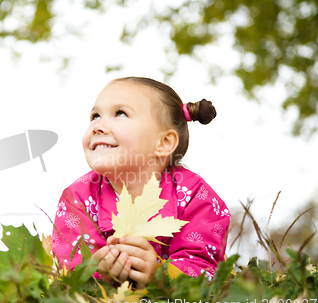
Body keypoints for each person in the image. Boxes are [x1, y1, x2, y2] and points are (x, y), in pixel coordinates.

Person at [51, 77, 230, 289]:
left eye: (120, 113)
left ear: (163, 143)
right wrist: (96, 270)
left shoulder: (195, 196)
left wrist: (160, 274)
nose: (97, 126)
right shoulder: (78, 198)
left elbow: (205, 270)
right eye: (95, 116)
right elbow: (68, 271)